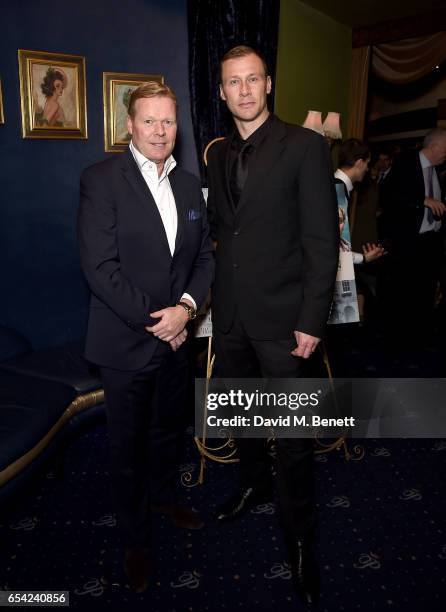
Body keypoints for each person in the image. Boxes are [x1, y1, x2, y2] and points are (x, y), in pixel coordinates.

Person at [206, 45, 339, 606]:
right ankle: (254, 483)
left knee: (295, 440)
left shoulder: (306, 147)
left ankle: (302, 542)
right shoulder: (216, 156)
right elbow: (223, 236)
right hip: (232, 317)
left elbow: (320, 240)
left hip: (286, 323)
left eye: (252, 79)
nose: (243, 90)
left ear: (269, 84)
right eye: (233, 82)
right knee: (243, 416)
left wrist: (312, 317)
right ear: (222, 91)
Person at [77, 81, 214, 593]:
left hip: (177, 339)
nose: (160, 131)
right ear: (129, 125)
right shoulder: (100, 179)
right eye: (149, 120)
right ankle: (134, 537)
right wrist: (162, 323)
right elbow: (100, 267)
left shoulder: (188, 184)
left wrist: (186, 310)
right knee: (126, 447)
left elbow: (204, 260)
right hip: (128, 342)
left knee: (167, 431)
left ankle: (163, 499)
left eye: (168, 121)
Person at [380, 128, 446, 349]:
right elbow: (389, 197)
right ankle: (398, 341)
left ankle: (419, 338)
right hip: (408, 243)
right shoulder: (405, 163)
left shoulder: (438, 170)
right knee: (403, 293)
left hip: (431, 242)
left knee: (425, 293)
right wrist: (422, 200)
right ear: (435, 147)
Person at [335, 138, 385, 265]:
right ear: (359, 163)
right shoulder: (338, 192)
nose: (367, 169)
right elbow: (334, 247)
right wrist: (364, 258)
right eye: (367, 163)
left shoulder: (337, 186)